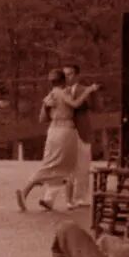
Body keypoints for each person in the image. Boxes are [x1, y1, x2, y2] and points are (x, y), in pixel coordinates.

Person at [17, 68, 100, 212]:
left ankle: (54, 199)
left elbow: (42, 118)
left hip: (53, 131)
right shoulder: (62, 93)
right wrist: (88, 90)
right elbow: (75, 104)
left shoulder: (50, 95)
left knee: (56, 163)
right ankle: (25, 191)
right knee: (63, 165)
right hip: (65, 131)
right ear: (63, 80)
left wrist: (46, 106)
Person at [51, 63, 95, 209]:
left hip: (81, 131)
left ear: (77, 76)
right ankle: (56, 198)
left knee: (82, 165)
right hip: (65, 132)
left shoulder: (85, 90)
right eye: (64, 75)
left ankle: (80, 198)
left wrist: (90, 94)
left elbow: (95, 106)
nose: (67, 77)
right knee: (62, 165)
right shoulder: (58, 92)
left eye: (70, 74)